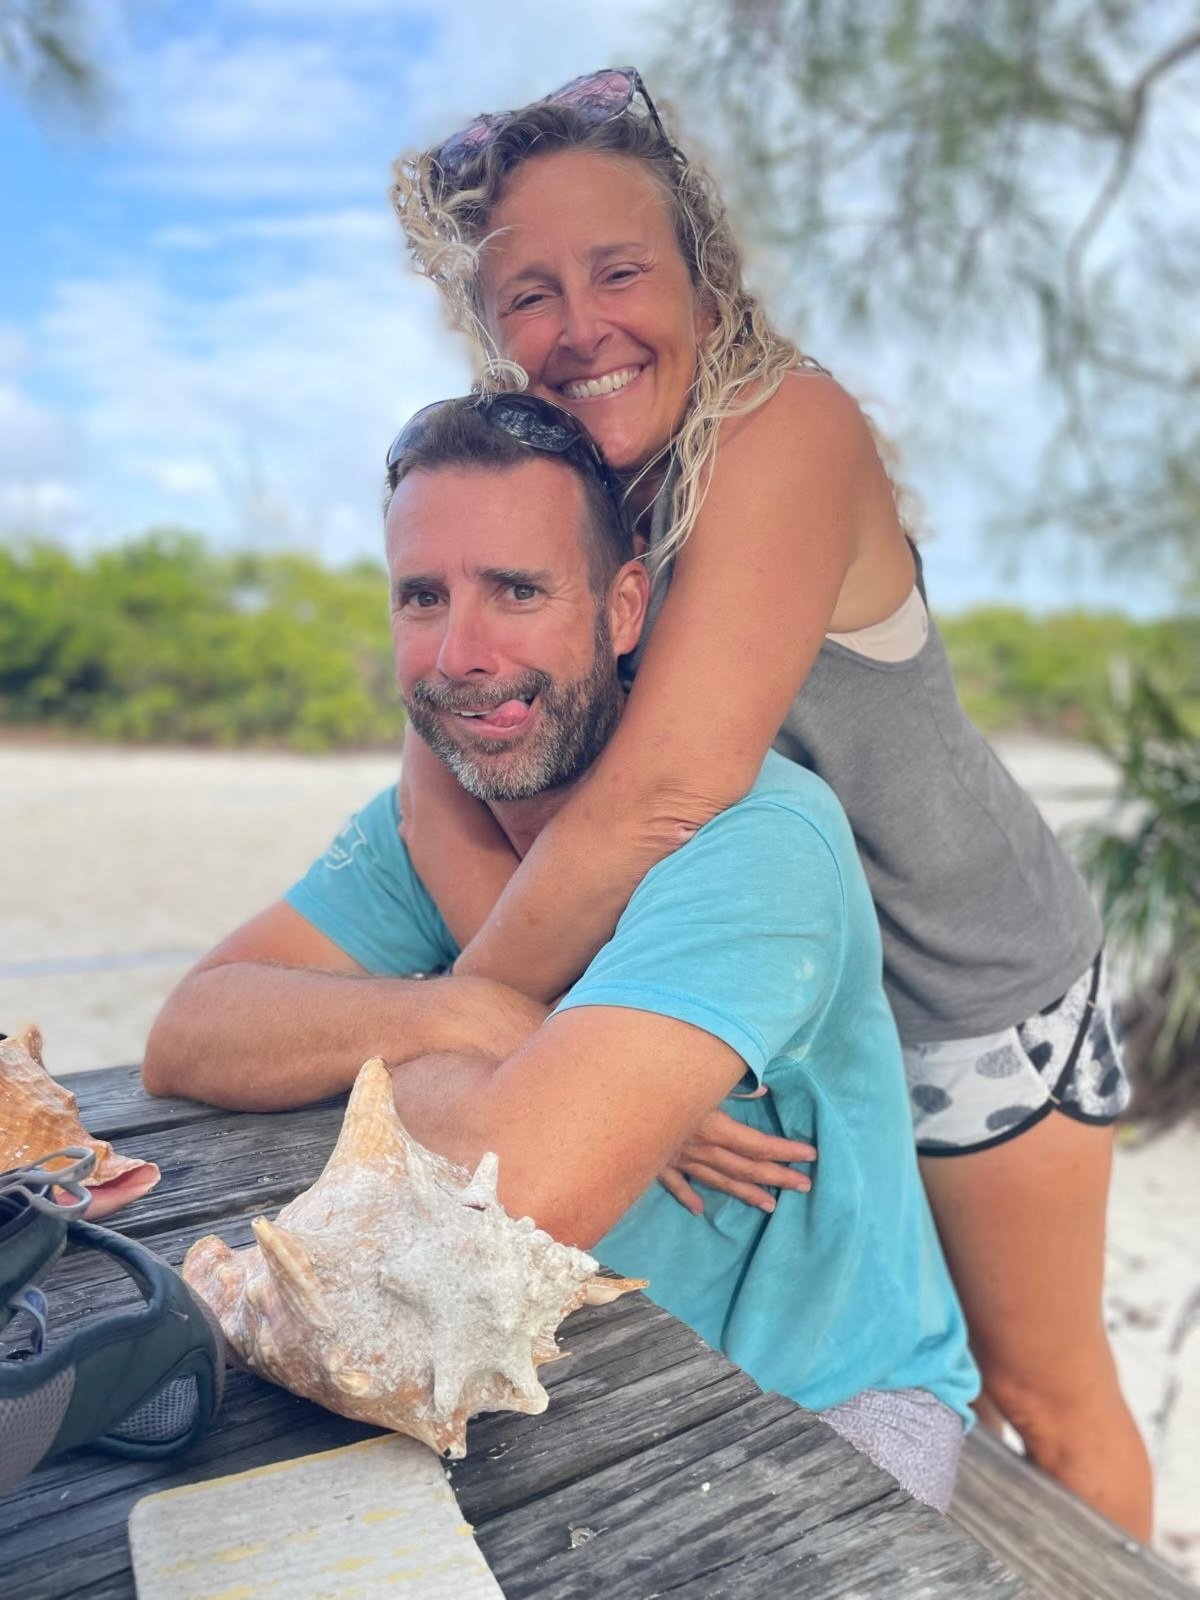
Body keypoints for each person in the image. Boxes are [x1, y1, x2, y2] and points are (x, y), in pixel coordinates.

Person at [388, 69, 1151, 1536]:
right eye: (531, 294)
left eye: (620, 271)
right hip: (791, 1019)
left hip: (967, 992)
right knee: (877, 1366)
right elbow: (441, 797)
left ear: (702, 273)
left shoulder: (784, 423)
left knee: (1041, 1395)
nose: (580, 326)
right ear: (486, 329)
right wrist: (545, 1038)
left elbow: (668, 788)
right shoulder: (555, 498)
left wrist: (490, 1036)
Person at [144, 394, 978, 1509]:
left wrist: (406, 1046)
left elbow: (513, 1183)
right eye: (423, 596)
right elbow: (189, 1032)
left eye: (519, 591)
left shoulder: (755, 838)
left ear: (623, 607)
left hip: (823, 1392)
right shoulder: (428, 826)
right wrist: (470, 1016)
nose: (462, 654)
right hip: (581, 1362)